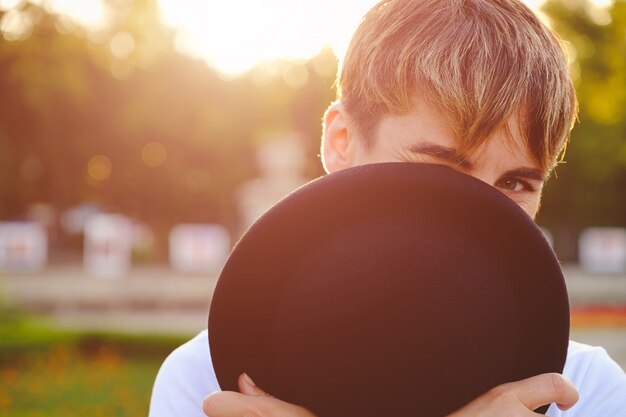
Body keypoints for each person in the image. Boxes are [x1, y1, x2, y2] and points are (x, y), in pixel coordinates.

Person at [149, 1, 626, 416]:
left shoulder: (582, 394)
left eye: (516, 183)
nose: (482, 223)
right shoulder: (209, 383)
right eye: (440, 171)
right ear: (342, 142)